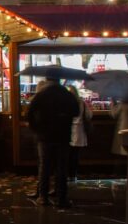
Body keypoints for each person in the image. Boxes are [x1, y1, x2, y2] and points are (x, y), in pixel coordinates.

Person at [25, 74, 80, 208]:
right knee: (62, 168)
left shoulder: (41, 95)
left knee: (44, 166)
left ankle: (43, 197)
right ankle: (62, 198)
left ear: (47, 80)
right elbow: (76, 111)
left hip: (44, 136)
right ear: (59, 79)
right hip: (62, 135)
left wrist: (36, 128)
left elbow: (29, 113)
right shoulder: (66, 94)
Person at [67, 85, 92, 181]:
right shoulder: (82, 103)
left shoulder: (67, 103)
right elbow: (89, 115)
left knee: (68, 154)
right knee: (75, 155)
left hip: (68, 131)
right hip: (79, 131)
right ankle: (73, 175)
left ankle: (68, 174)